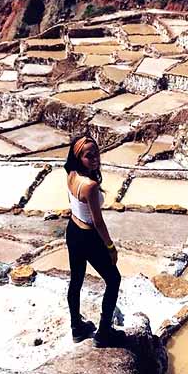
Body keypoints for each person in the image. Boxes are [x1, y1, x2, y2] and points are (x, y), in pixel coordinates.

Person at [64, 135, 126, 347]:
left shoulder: (71, 174)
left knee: (76, 280)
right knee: (114, 280)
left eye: (96, 153)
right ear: (78, 157)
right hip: (88, 236)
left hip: (72, 229)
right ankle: (104, 332)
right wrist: (110, 247)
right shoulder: (89, 185)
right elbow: (98, 222)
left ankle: (76, 327)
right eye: (88, 155)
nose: (95, 159)